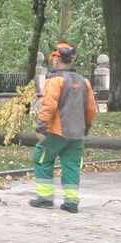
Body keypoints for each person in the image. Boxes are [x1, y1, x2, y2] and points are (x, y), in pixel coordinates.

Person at [29, 41, 97, 214]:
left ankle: (45, 198)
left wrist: (41, 126)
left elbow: (49, 106)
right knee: (72, 166)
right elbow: (91, 108)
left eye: (53, 58)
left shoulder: (55, 80)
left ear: (57, 59)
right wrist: (86, 127)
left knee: (42, 159)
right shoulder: (84, 82)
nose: (52, 61)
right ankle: (71, 202)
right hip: (77, 134)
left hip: (56, 132)